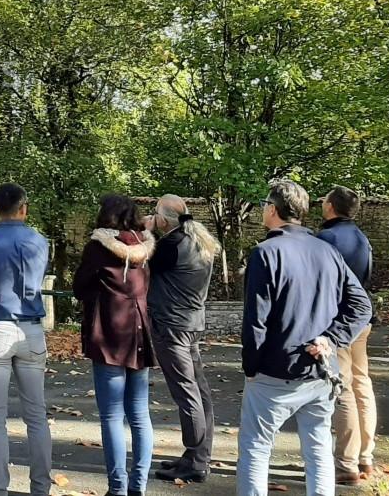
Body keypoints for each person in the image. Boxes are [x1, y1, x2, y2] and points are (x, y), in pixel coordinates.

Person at [238, 180, 372, 496]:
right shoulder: (327, 251)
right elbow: (361, 304)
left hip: (274, 370)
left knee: (256, 449)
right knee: (318, 448)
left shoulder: (265, 253)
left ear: (272, 209)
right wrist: (332, 338)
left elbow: (256, 320)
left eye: (263, 205)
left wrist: (251, 366)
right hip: (320, 368)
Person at [0, 183, 53, 496]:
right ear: (23, 207)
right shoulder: (39, 241)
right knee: (36, 415)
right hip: (31, 328)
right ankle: (41, 488)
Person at [73, 194, 157, 496]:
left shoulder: (98, 248)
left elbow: (79, 286)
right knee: (139, 414)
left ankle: (118, 487)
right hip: (138, 334)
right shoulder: (146, 248)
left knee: (111, 416)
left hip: (108, 334)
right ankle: (139, 486)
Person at [147, 196, 220, 485]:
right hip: (190, 323)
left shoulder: (170, 246)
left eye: (155, 214)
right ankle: (198, 456)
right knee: (199, 392)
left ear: (163, 220)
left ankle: (195, 461)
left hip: (171, 326)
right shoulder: (197, 240)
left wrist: (147, 232)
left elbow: (143, 262)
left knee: (186, 393)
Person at [315, 186, 377, 484]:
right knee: (362, 382)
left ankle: (346, 463)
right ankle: (366, 456)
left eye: (324, 200)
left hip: (336, 322)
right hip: (361, 318)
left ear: (331, 206)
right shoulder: (361, 238)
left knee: (344, 389)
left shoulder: (326, 239)